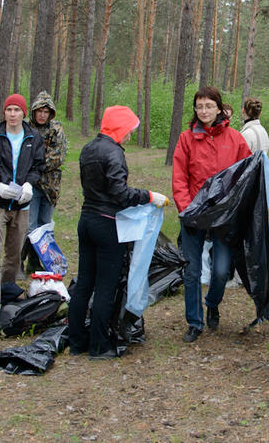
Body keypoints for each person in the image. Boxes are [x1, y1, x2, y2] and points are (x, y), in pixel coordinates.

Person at [68, 106, 169, 359]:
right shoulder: (113, 152)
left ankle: (77, 342)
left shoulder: (88, 148)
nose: (130, 135)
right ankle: (99, 346)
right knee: (105, 286)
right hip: (107, 225)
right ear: (119, 127)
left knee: (84, 284)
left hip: (86, 221)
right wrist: (149, 196)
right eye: (129, 129)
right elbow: (120, 194)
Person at [172, 86, 251, 343]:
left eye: (209, 106)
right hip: (194, 213)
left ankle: (213, 303)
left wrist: (236, 207)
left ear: (219, 108)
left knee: (221, 270)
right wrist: (186, 209)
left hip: (224, 215)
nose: (204, 111)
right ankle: (194, 322)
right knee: (192, 271)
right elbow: (179, 177)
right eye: (199, 106)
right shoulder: (186, 139)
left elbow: (247, 174)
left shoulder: (235, 139)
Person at [0, 94, 45, 329]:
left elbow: (38, 167)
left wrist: (29, 185)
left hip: (21, 206)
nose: (13, 114)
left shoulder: (33, 137)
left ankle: (6, 293)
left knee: (14, 256)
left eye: (17, 110)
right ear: (4, 112)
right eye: (9, 110)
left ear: (24, 113)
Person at [27, 91, 67, 233]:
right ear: (34, 111)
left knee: (45, 225)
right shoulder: (26, 128)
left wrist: (33, 165)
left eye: (46, 112)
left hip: (50, 186)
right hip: (29, 184)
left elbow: (57, 157)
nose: (42, 115)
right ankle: (27, 248)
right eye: (39, 111)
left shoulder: (56, 129)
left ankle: (42, 249)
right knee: (29, 226)